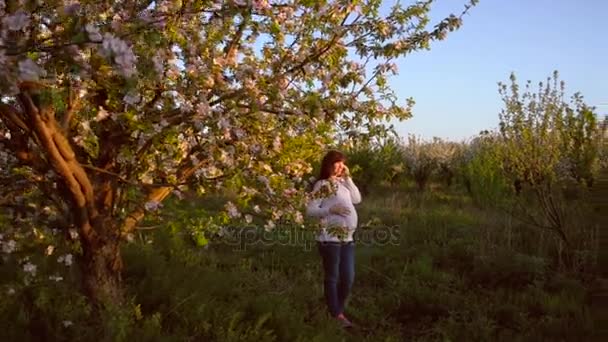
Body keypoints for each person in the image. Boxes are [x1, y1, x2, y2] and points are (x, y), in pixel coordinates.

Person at [306, 150, 362, 328]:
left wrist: (349, 178)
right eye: (337, 163)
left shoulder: (344, 184)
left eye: (342, 163)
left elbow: (357, 199)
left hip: (347, 238)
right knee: (333, 276)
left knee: (348, 277)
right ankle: (336, 314)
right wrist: (331, 210)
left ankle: (336, 309)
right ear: (328, 164)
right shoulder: (322, 184)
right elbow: (310, 210)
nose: (340, 166)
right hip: (329, 237)